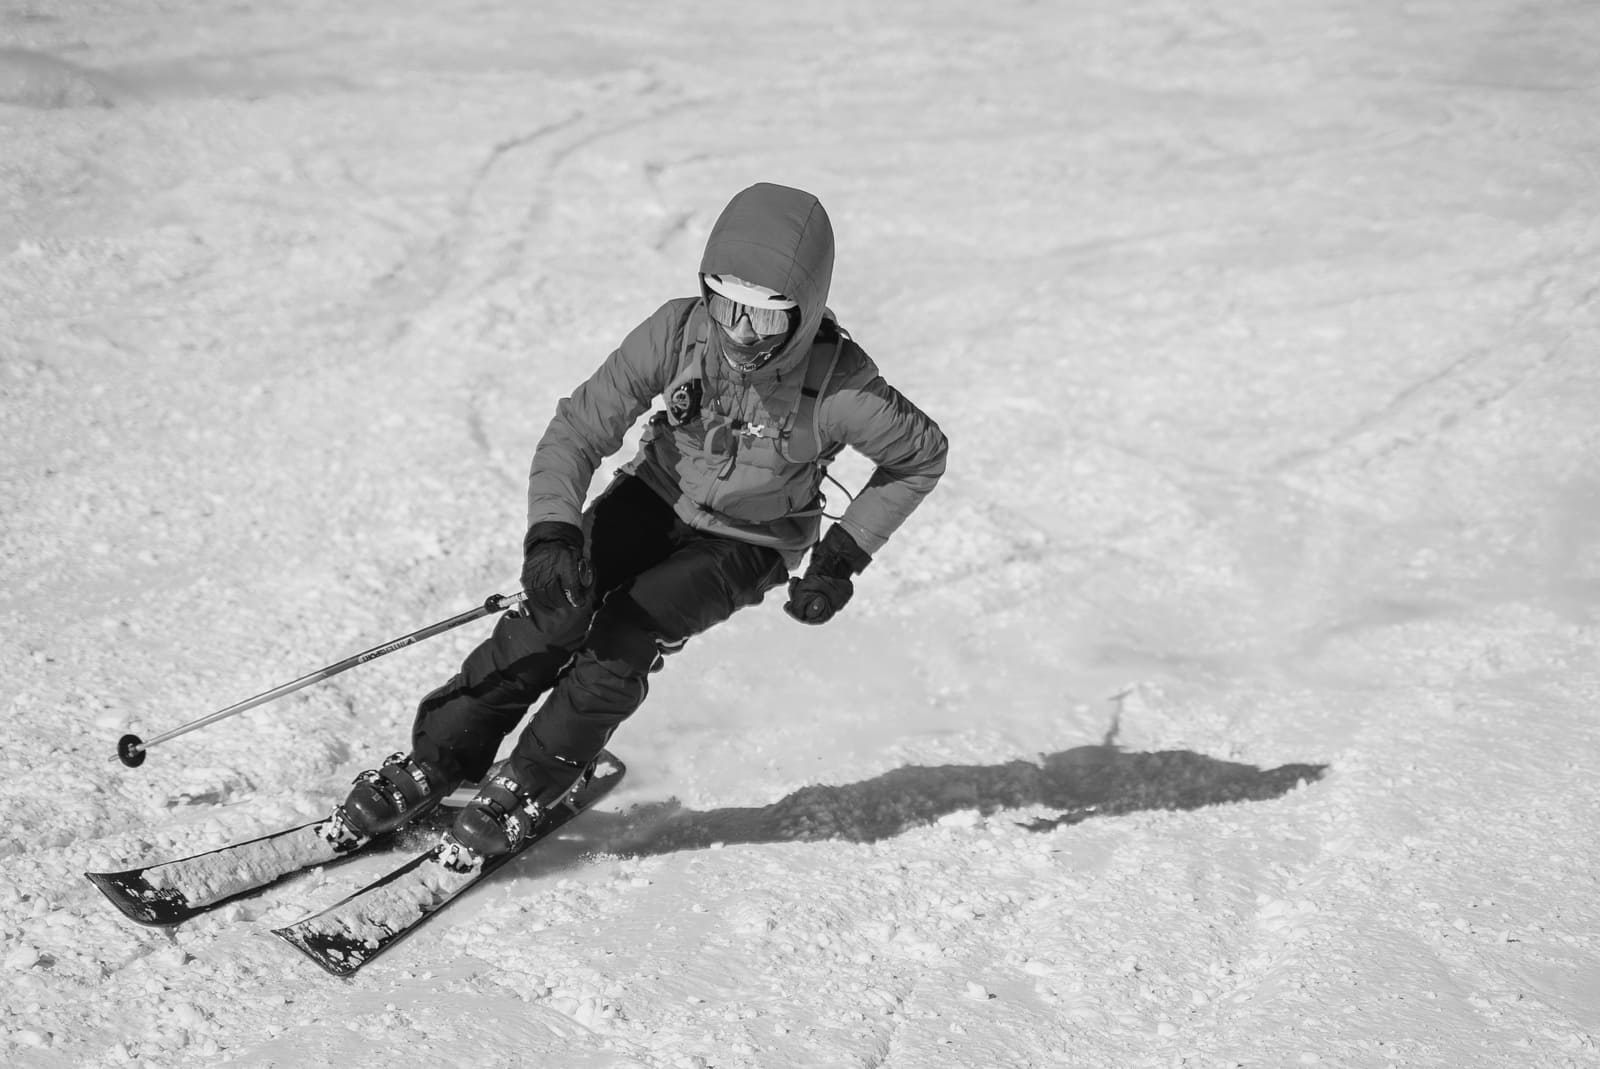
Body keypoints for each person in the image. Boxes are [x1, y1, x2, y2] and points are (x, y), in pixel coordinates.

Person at [328, 181, 948, 866]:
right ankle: (440, 758)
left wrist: (840, 556)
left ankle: (530, 782)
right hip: (654, 493)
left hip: (749, 542)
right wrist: (554, 532)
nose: (741, 335)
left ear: (803, 314)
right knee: (553, 611)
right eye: (727, 306)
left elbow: (920, 457)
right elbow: (579, 428)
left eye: (766, 320)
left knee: (625, 631)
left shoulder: (844, 388)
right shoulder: (681, 331)